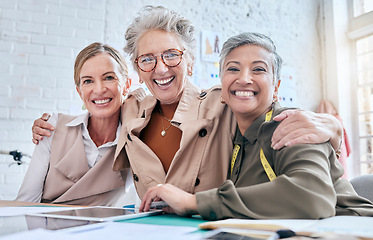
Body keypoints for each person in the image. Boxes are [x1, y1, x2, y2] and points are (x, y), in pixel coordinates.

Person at [31, 6, 343, 200]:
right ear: (138, 72)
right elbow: (99, 102)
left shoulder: (221, 103)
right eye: (147, 60)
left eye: (171, 55)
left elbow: (263, 104)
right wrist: (53, 125)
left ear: (190, 62)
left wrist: (329, 123)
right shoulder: (132, 109)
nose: (161, 68)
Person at [139, 32, 373, 219]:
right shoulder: (231, 135)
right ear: (221, 86)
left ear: (276, 88)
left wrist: (193, 202)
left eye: (258, 69)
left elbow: (313, 198)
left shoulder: (291, 125)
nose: (244, 78)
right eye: (233, 69)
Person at [17, 42, 135, 206]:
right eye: (88, 81)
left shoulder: (135, 140)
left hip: (101, 229)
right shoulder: (53, 127)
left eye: (109, 77)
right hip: (46, 228)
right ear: (80, 92)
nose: (99, 89)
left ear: (126, 85)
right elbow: (26, 201)